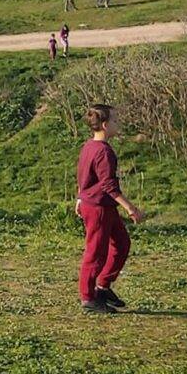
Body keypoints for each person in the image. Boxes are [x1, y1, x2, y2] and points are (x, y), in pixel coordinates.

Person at [76, 104, 144, 314]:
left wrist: (79, 197)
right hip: (97, 208)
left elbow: (84, 176)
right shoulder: (104, 152)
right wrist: (131, 208)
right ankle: (88, 298)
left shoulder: (88, 146)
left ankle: (102, 286)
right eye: (115, 120)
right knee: (95, 253)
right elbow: (108, 186)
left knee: (122, 243)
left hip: (102, 205)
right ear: (105, 126)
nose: (118, 123)